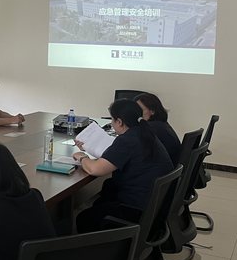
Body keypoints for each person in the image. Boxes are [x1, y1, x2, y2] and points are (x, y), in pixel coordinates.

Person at [73, 99, 173, 234]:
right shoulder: (144, 133)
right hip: (153, 207)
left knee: (84, 218)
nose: (111, 123)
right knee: (106, 191)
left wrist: (81, 156)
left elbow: (94, 169)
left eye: (112, 120)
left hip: (137, 210)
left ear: (119, 122)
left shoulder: (128, 140)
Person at [134, 92, 183, 167]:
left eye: (140, 110)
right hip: (172, 170)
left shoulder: (151, 128)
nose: (136, 114)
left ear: (152, 111)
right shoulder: (162, 125)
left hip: (162, 171)